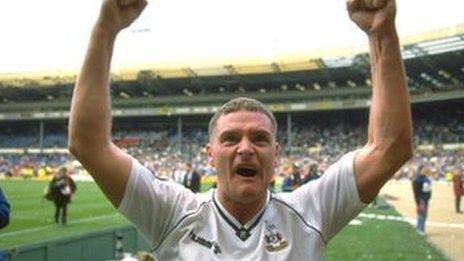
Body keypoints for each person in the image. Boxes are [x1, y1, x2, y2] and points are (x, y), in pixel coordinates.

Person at [68, 0, 412, 259]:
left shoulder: (309, 212)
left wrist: (381, 31)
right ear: (210, 154)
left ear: (275, 153)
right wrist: (105, 28)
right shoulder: (172, 212)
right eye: (230, 138)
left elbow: (390, 148)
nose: (245, 148)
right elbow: (88, 144)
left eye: (260, 139)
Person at [412, 166, 432, 234]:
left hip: (425, 199)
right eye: (424, 169)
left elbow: (428, 190)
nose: (426, 170)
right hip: (421, 199)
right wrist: (417, 203)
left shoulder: (426, 179)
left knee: (423, 214)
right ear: (420, 170)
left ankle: (419, 227)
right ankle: (420, 229)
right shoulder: (417, 180)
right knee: (422, 214)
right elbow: (416, 193)